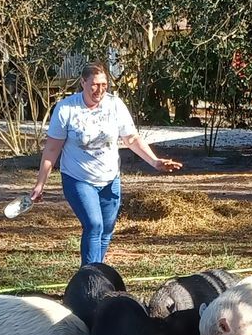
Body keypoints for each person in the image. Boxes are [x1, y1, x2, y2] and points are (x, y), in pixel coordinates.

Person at [30, 63, 181, 265]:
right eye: (94, 85)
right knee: (93, 225)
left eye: (104, 84)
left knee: (106, 230)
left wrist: (155, 162)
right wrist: (40, 183)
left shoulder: (115, 105)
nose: (99, 90)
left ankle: (97, 273)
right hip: (78, 178)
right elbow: (51, 149)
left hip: (110, 179)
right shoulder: (66, 109)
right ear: (83, 82)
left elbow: (132, 139)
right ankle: (89, 279)